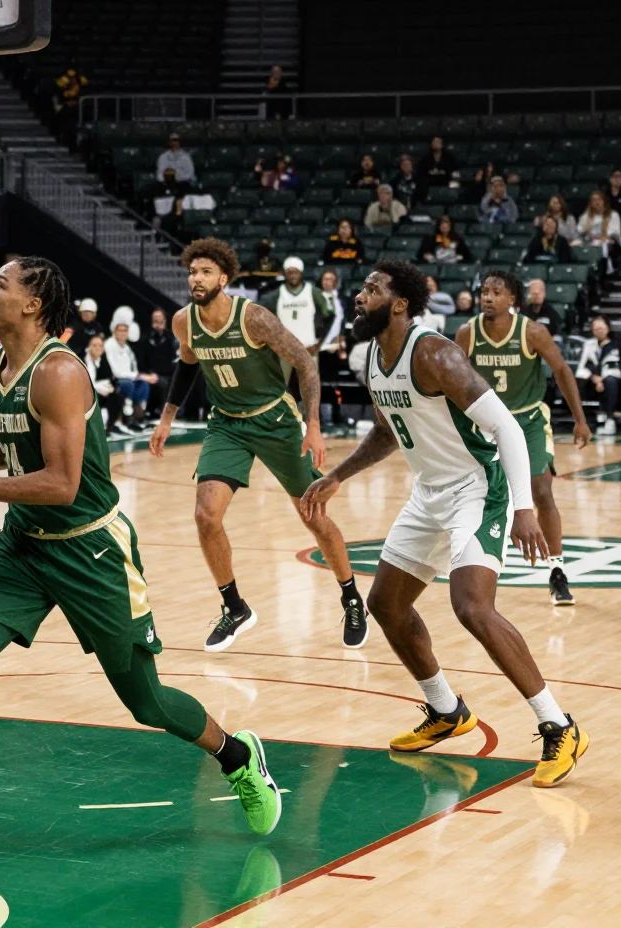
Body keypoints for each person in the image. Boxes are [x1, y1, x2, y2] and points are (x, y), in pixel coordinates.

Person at [0, 257, 282, 878]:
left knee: (145, 701)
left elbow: (63, 483)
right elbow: (11, 440)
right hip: (23, 547)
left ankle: (236, 756)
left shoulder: (61, 373)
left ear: (32, 305)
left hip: (89, 550)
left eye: (0, 285)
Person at [300, 260, 588, 790]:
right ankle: (447, 709)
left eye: (372, 289)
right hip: (430, 493)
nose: (360, 296)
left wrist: (524, 507)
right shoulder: (374, 359)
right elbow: (389, 431)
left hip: (477, 488)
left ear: (401, 304)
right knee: (385, 604)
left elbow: (507, 428)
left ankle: (560, 724)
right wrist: (338, 474)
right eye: (361, 288)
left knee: (471, 606)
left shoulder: (433, 352)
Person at [148, 238, 364, 649]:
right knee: (205, 515)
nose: (197, 278)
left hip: (276, 420)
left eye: (206, 271)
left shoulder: (254, 319)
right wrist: (166, 419)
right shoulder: (183, 322)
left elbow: (304, 361)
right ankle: (235, 608)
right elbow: (187, 366)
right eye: (193, 271)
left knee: (313, 516)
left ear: (224, 278)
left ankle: (352, 597)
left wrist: (313, 425)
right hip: (226, 424)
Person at [454, 271, 589, 606]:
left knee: (541, 489)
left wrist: (580, 420)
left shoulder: (532, 331)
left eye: (496, 292)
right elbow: (451, 379)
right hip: (485, 422)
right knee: (475, 495)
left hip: (527, 419)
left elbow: (561, 370)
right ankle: (472, 565)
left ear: (512, 299)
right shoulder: (467, 333)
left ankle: (557, 570)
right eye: (485, 291)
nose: (488, 297)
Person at [575, 316, 621, 435]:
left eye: (602, 328)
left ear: (608, 328)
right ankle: (582, 420)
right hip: (594, 380)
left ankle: (610, 420)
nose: (599, 331)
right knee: (577, 381)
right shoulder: (589, 344)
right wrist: (594, 378)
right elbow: (581, 368)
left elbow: (616, 369)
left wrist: (601, 379)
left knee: (610, 381)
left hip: (614, 380)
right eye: (596, 329)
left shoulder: (616, 344)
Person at [106, 321, 148, 432]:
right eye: (120, 330)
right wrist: (134, 375)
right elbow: (115, 371)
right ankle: (127, 419)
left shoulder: (127, 348)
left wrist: (138, 376)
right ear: (115, 332)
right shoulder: (109, 344)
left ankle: (139, 416)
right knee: (128, 384)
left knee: (143, 384)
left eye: (125, 331)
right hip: (114, 379)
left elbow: (134, 366)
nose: (123, 333)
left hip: (129, 378)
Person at [574, 190, 621, 262]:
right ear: (591, 203)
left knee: (603, 244)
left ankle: (605, 264)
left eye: (599, 200)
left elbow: (615, 232)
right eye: (594, 200)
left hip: (610, 242)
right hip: (589, 241)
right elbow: (579, 229)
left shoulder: (613, 214)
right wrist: (588, 225)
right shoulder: (586, 216)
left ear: (604, 201)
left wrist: (600, 236)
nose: (597, 202)